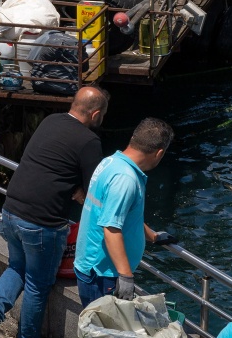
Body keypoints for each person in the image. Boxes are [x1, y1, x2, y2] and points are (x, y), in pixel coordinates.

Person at [0, 85, 109, 338]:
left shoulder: (51, 120)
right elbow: (94, 192)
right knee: (38, 284)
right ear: (96, 114)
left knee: (16, 267)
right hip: (43, 223)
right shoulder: (89, 141)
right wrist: (80, 193)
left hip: (11, 211)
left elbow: (48, 162)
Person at [74, 118, 174, 315]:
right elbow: (111, 228)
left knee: (100, 335)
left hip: (93, 266)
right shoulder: (126, 179)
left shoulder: (111, 162)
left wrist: (152, 236)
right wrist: (126, 276)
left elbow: (122, 214)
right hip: (102, 274)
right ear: (159, 153)